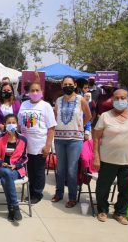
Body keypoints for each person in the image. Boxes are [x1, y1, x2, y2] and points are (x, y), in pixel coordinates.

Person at [93, 89, 128, 225]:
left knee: (126, 190)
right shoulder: (105, 116)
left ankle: (120, 213)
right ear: (112, 100)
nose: (120, 100)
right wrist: (96, 157)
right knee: (103, 188)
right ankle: (102, 210)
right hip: (107, 160)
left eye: (123, 98)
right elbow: (96, 138)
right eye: (117, 98)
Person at [52, 76, 91, 208]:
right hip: (59, 138)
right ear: (62, 85)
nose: (67, 86)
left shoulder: (81, 99)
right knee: (60, 169)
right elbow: (55, 116)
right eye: (65, 84)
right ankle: (59, 193)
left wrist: (81, 126)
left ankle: (72, 197)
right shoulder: (58, 100)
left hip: (75, 139)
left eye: (70, 84)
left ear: (75, 85)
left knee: (71, 169)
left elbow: (89, 116)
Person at [17, 82, 57, 204]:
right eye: (32, 90)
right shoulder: (24, 104)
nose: (35, 93)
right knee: (29, 170)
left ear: (41, 92)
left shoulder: (46, 106)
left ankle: (37, 193)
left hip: (40, 145)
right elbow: (19, 123)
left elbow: (51, 127)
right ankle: (30, 191)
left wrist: (48, 145)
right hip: (25, 145)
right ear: (28, 92)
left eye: (37, 90)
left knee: (38, 170)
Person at [0, 114, 28, 221]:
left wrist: (16, 165)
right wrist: (0, 162)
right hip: (0, 168)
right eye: (9, 123)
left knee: (7, 177)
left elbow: (25, 157)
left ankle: (11, 208)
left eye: (13, 122)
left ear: (17, 124)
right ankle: (15, 206)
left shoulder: (23, 139)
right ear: (5, 125)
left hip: (16, 170)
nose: (11, 124)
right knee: (6, 173)